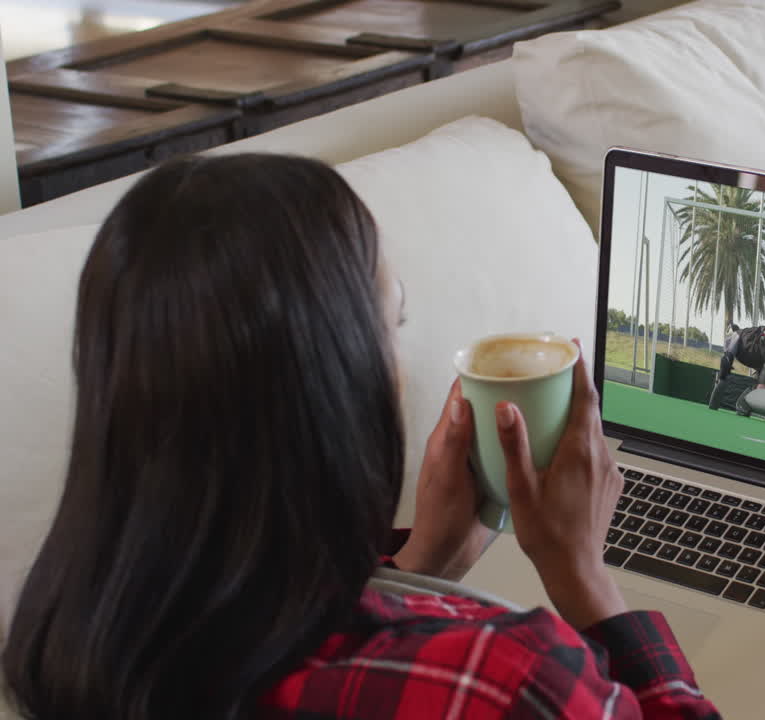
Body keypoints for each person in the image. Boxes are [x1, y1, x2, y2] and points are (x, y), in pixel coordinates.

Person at [0, 155, 722, 720]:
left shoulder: (64, 645)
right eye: (392, 324)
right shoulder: (509, 679)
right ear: (337, 380)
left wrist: (418, 565)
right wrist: (585, 577)